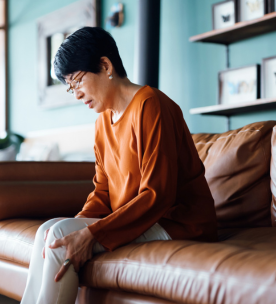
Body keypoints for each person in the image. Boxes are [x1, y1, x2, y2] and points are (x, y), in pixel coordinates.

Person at [20, 27, 218, 304]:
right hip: (142, 219)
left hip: (178, 222)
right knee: (49, 232)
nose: (75, 94)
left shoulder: (151, 105)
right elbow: (103, 191)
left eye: (77, 81)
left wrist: (91, 234)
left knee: (59, 235)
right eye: (69, 87)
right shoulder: (103, 120)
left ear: (105, 65)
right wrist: (78, 226)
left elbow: (157, 195)